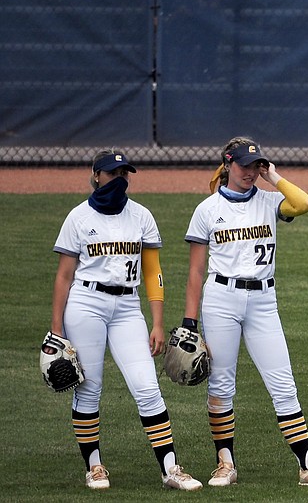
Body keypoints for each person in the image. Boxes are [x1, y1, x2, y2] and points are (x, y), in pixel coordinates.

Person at [182, 136, 308, 489]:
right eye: (243, 165)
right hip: (221, 299)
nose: (250, 172)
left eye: (256, 165)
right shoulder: (207, 210)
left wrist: (274, 176)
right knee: (222, 384)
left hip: (263, 302)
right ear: (227, 164)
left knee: (283, 384)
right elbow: (195, 271)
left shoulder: (270, 201)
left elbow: (305, 203)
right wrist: (189, 322)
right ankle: (225, 463)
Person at [49, 149, 202, 491]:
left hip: (128, 308)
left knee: (148, 388)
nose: (119, 180)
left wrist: (158, 322)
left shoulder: (141, 216)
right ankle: (94, 467)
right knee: (89, 389)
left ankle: (170, 469)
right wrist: (56, 329)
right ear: (96, 176)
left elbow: (152, 272)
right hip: (86, 303)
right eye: (112, 174)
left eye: (124, 174)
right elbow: (64, 276)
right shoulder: (78, 218)